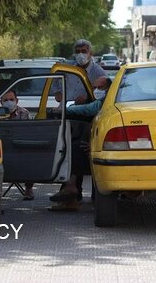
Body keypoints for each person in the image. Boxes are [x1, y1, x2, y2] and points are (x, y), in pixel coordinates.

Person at [50, 41, 108, 211]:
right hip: (67, 114)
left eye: (84, 51)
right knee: (66, 150)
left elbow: (98, 100)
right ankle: (71, 193)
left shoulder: (98, 72)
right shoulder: (68, 69)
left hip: (85, 117)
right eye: (78, 51)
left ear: (91, 52)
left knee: (78, 149)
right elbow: (58, 93)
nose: (81, 54)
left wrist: (87, 98)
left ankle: (73, 191)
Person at [0, 89, 34, 200]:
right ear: (1, 102)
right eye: (5, 100)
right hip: (2, 148)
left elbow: (28, 134)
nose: (9, 102)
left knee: (31, 155)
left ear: (17, 100)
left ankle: (29, 189)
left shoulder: (24, 113)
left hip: (20, 147)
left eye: (11, 99)